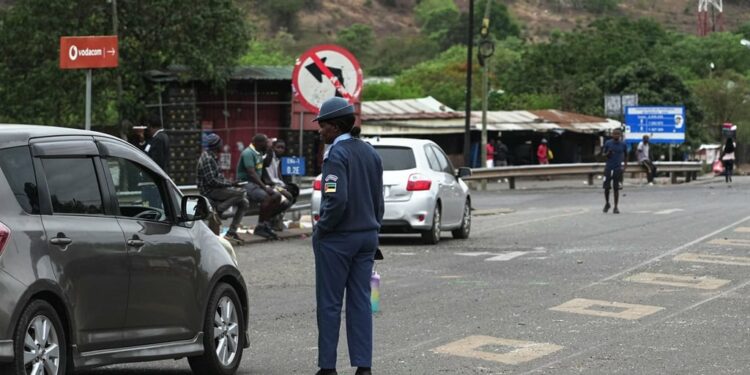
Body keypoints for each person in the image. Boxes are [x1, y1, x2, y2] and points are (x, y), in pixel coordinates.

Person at [312, 97, 384, 375]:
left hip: (339, 238)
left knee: (329, 304)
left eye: (322, 125)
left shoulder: (335, 154)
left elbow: (336, 200)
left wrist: (323, 228)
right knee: (361, 303)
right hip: (368, 237)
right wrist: (374, 228)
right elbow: (379, 200)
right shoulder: (371, 153)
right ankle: (363, 367)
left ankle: (328, 368)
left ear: (335, 126)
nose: (320, 131)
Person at [196, 133, 249, 244]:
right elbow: (212, 181)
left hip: (217, 189)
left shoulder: (213, 156)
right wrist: (230, 185)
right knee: (242, 192)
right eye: (220, 142)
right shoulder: (207, 158)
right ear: (216, 145)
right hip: (210, 191)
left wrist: (232, 184)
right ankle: (220, 208)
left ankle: (232, 232)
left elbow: (218, 178)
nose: (222, 144)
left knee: (244, 202)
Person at [237, 133, 282, 239]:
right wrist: (264, 187)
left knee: (277, 196)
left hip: (255, 184)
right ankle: (260, 227)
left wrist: (270, 149)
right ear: (258, 143)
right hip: (245, 184)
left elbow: (266, 163)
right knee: (267, 197)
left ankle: (265, 224)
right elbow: (252, 173)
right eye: (266, 142)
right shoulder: (248, 153)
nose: (267, 143)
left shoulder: (258, 152)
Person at [262, 139, 300, 231]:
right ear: (273, 147)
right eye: (278, 147)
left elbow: (278, 175)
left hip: (278, 184)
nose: (280, 150)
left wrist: (284, 184)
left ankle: (277, 219)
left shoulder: (278, 159)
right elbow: (268, 175)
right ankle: (269, 219)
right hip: (271, 185)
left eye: (282, 148)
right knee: (289, 196)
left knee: (294, 192)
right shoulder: (268, 157)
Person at [602, 128, 628, 214]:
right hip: (608, 168)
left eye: (618, 134)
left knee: (616, 188)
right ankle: (607, 203)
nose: (616, 135)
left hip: (618, 168)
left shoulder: (623, 144)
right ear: (612, 135)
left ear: (620, 135)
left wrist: (625, 166)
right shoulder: (608, 143)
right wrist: (607, 154)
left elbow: (626, 155)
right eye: (615, 134)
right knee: (606, 187)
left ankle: (616, 207)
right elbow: (602, 155)